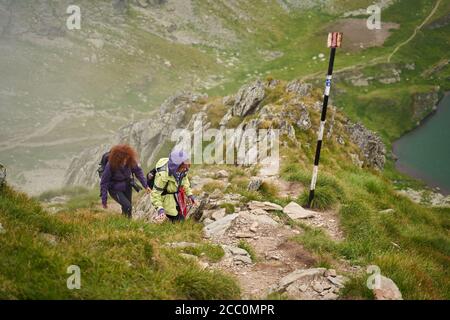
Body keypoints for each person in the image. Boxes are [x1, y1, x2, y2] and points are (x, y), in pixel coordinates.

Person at [100, 144, 150, 218]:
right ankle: (125, 223)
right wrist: (104, 200)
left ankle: (127, 225)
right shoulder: (110, 164)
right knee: (128, 206)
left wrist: (146, 185)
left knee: (127, 209)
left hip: (127, 186)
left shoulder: (130, 161)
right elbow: (104, 182)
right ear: (118, 158)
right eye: (123, 158)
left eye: (127, 158)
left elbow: (138, 172)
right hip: (114, 189)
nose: (125, 160)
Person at [151, 149, 195, 222]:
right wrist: (160, 209)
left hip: (177, 198)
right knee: (179, 221)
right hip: (166, 201)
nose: (185, 169)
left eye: (186, 167)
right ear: (175, 166)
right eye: (183, 167)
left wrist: (189, 194)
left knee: (180, 219)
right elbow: (155, 194)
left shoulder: (183, 170)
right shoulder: (162, 176)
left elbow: (184, 181)